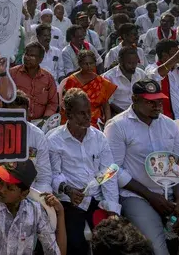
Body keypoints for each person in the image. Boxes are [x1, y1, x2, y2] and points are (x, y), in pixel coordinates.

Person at [105, 79, 179, 255]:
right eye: (150, 102)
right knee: (158, 252)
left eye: (159, 101)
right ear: (134, 99)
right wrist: (151, 197)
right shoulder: (117, 126)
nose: (157, 106)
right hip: (138, 196)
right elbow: (113, 169)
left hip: (173, 196)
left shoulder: (169, 124)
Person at [49, 87, 120, 255]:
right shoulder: (54, 140)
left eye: (89, 112)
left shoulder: (99, 138)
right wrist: (68, 190)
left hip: (96, 198)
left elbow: (108, 174)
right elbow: (53, 174)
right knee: (75, 243)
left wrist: (112, 210)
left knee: (113, 239)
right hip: (69, 201)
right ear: (69, 114)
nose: (88, 117)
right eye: (82, 113)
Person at [60, 50, 117, 129]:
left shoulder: (100, 81)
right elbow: (67, 103)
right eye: (85, 64)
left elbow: (106, 105)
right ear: (79, 64)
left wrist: (108, 122)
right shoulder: (72, 80)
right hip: (77, 116)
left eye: (91, 63)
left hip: (96, 118)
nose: (89, 66)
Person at [145, 39, 179, 120]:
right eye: (175, 52)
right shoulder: (151, 68)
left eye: (178, 52)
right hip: (165, 120)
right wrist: (176, 57)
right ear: (165, 55)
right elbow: (157, 75)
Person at [10, 41, 58, 121]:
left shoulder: (48, 78)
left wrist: (45, 120)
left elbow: (52, 103)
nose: (27, 58)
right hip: (16, 121)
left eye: (32, 56)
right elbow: (4, 98)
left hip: (40, 122)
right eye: (26, 54)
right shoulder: (12, 73)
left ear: (40, 59)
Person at [103, 47, 147, 114]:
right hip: (117, 114)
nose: (133, 66)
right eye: (129, 63)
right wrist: (127, 114)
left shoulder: (141, 74)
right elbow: (109, 103)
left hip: (140, 113)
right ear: (120, 61)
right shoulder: (108, 77)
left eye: (135, 63)